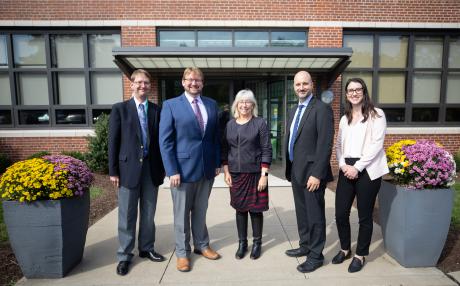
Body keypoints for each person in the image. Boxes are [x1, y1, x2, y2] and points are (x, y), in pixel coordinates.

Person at [159, 67, 221, 272]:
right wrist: (171, 170)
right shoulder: (170, 105)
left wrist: (217, 162)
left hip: (206, 170)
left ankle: (202, 245)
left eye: (198, 80)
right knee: (181, 214)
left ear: (202, 83)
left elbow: (214, 137)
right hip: (182, 172)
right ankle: (182, 253)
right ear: (183, 82)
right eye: (190, 80)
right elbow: (165, 141)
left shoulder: (211, 104)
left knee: (200, 211)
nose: (194, 83)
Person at [108, 69, 166, 276]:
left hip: (151, 170)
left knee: (149, 215)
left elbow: (162, 141)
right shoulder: (120, 109)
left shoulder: (157, 110)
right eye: (139, 82)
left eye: (147, 83)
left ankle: (147, 248)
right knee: (127, 215)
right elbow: (113, 142)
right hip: (127, 171)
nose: (143, 86)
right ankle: (124, 255)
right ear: (131, 84)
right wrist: (113, 171)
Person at [333, 78, 388, 273]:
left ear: (364, 92)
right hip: (346, 167)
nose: (354, 93)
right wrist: (342, 164)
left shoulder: (377, 115)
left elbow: (376, 145)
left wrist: (357, 167)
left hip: (368, 169)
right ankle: (345, 248)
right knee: (340, 213)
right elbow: (339, 145)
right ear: (346, 94)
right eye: (350, 90)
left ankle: (360, 254)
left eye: (358, 89)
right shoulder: (344, 118)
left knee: (364, 216)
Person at [284, 71, 334, 273]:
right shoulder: (294, 109)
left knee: (315, 216)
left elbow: (325, 144)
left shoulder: (321, 108)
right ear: (294, 87)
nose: (301, 88)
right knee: (302, 213)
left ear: (312, 85)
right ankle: (305, 245)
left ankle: (316, 255)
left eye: (305, 84)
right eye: (298, 84)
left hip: (312, 173)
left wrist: (317, 173)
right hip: (296, 170)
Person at [221, 89, 272, 260]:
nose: (244, 105)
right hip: (235, 174)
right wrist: (226, 171)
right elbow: (225, 150)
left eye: (248, 101)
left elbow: (266, 149)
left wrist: (264, 174)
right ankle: (242, 243)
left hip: (256, 174)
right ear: (236, 104)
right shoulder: (230, 125)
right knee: (240, 210)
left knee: (256, 210)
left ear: (253, 105)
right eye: (241, 101)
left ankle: (257, 243)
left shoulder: (260, 123)